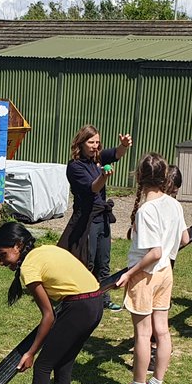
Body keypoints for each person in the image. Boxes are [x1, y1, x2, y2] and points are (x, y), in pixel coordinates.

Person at [0, 222, 105, 384]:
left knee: (43, 366)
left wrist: (31, 352)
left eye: (3, 255)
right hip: (95, 303)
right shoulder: (44, 251)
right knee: (63, 366)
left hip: (79, 307)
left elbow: (48, 317)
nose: (2, 262)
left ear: (18, 245)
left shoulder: (29, 267)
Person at [107, 153, 187, 384]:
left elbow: (155, 252)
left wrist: (130, 273)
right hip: (166, 274)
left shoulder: (146, 210)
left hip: (146, 275)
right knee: (161, 331)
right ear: (165, 177)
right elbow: (184, 239)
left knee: (143, 333)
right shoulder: (174, 204)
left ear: (139, 176)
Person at [59, 125, 133, 311]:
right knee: (87, 260)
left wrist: (123, 145)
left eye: (97, 142)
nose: (95, 146)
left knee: (104, 260)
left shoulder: (98, 158)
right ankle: (83, 295)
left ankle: (103, 297)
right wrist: (104, 176)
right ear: (81, 143)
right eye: (91, 142)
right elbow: (93, 188)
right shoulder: (75, 166)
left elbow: (117, 153)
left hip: (103, 218)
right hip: (87, 218)